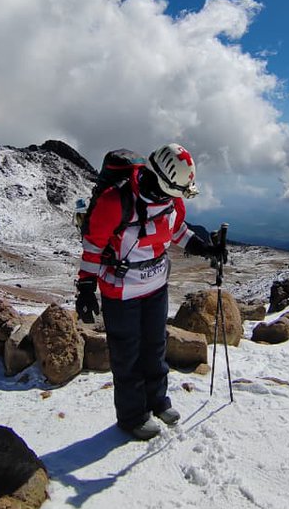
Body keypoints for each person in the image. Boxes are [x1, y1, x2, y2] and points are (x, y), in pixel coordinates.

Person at [75, 143, 225, 440]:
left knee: (155, 346)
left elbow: (177, 230)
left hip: (156, 286)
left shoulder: (171, 202)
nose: (180, 198)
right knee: (127, 353)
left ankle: (157, 401)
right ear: (161, 181)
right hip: (121, 291)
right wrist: (86, 288)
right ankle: (132, 416)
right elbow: (93, 247)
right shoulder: (115, 202)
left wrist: (204, 248)